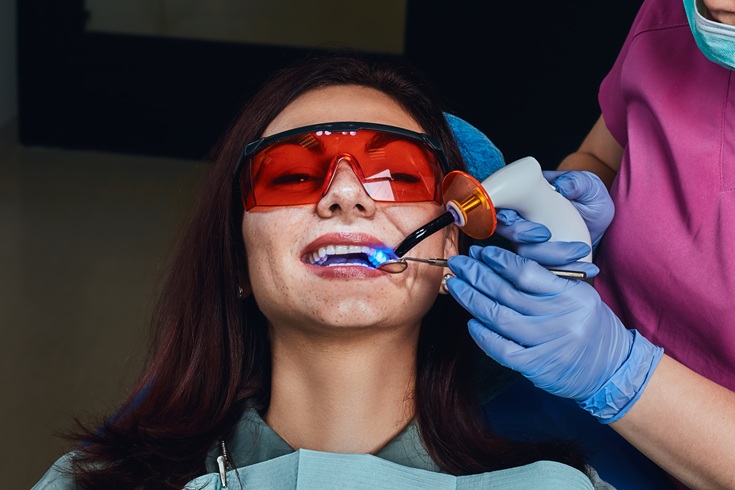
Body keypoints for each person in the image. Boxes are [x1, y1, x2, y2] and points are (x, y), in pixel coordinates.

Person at [32, 52, 613, 489]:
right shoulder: (91, 481)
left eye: (396, 174)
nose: (344, 196)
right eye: (289, 175)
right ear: (236, 260)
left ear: (451, 257)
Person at [444, 0, 735, 489]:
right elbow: (601, 154)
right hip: (559, 394)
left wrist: (620, 374)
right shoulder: (673, 16)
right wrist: (571, 204)